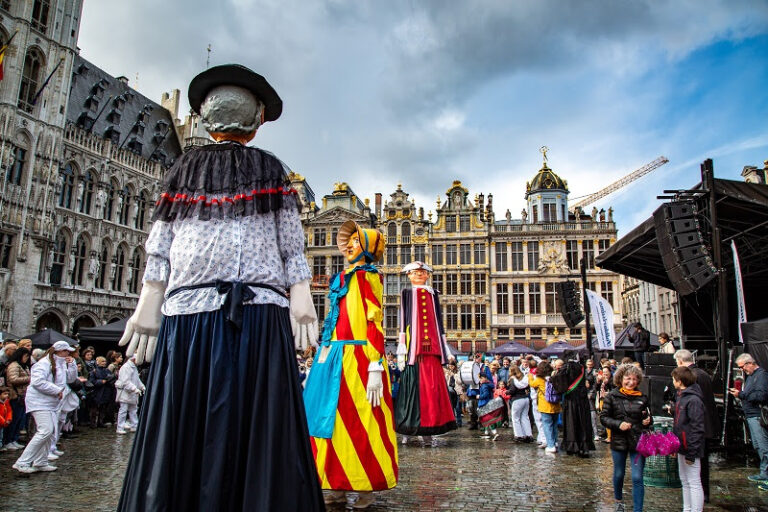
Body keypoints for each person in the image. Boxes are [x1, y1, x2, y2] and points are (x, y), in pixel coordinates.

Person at [117, 64, 323, 512]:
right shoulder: (266, 168)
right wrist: (300, 295)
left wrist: (150, 300)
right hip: (252, 311)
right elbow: (291, 243)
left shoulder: (183, 169)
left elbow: (160, 243)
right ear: (257, 122)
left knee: (183, 422)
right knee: (257, 424)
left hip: (200, 311)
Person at [303, 220, 396, 509]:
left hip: (359, 359)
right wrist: (320, 354)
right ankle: (334, 483)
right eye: (351, 240)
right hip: (332, 357)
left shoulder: (369, 277)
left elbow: (374, 322)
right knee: (324, 423)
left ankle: (364, 486)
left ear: (367, 249)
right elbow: (333, 322)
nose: (350, 245)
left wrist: (375, 365)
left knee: (361, 424)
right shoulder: (340, 278)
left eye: (357, 241)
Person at [395, 261, 457, 444]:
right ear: (409, 275)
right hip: (414, 349)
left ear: (428, 275)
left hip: (433, 349)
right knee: (413, 389)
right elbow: (403, 318)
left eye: (422, 272)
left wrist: (444, 346)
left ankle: (430, 427)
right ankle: (408, 427)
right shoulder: (407, 293)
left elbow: (438, 320)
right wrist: (402, 346)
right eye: (415, 272)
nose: (419, 274)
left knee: (432, 388)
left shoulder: (432, 293)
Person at [13, 341, 77, 473]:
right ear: (59, 351)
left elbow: (70, 379)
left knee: (51, 431)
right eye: (66, 351)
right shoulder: (43, 364)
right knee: (45, 430)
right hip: (39, 402)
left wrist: (72, 365)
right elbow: (37, 382)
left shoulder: (61, 364)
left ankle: (40, 461)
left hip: (51, 403)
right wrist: (56, 390)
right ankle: (22, 462)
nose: (68, 354)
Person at [600, 364, 652, 512]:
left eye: (635, 379)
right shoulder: (612, 396)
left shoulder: (642, 397)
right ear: (621, 379)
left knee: (637, 477)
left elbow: (648, 417)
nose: (631, 382)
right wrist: (618, 424)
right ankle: (618, 500)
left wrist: (648, 420)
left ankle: (638, 509)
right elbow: (604, 418)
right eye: (628, 378)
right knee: (619, 473)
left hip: (638, 441)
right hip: (619, 440)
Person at [674, 349, 719, 502]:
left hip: (696, 426)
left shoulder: (690, 377)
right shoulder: (704, 374)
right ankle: (703, 493)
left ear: (680, 361)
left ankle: (700, 496)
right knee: (703, 464)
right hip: (706, 424)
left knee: (696, 470)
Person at [729, 353, 768, 486]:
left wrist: (741, 394)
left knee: (763, 446)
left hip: (757, 415)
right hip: (751, 415)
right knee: (758, 445)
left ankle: (765, 474)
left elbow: (761, 396)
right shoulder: (752, 376)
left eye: (742, 367)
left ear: (749, 363)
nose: (742, 370)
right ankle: (764, 473)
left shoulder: (761, 375)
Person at [671, 366, 705, 512]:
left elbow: (697, 427)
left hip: (690, 446)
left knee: (694, 481)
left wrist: (692, 451)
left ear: (679, 381)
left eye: (674, 379)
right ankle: (687, 509)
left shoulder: (693, 400)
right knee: (685, 480)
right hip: (683, 445)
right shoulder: (682, 397)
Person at [550, 350, 594, 457]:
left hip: (571, 399)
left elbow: (559, 384)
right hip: (582, 398)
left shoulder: (566, 368)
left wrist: (553, 377)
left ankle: (572, 446)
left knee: (571, 422)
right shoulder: (582, 367)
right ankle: (584, 447)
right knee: (583, 423)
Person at [529, 361, 561, 453]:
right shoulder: (554, 378)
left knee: (547, 425)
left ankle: (550, 445)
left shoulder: (539, 379)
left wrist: (530, 376)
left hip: (545, 406)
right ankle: (555, 442)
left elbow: (532, 384)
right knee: (554, 425)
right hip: (556, 405)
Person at [3, 347, 31, 450]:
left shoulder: (24, 366)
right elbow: (13, 379)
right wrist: (29, 379)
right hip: (15, 395)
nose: (27, 359)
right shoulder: (14, 365)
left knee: (19, 419)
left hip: (23, 395)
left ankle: (14, 439)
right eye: (25, 356)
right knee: (14, 419)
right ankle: (9, 440)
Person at [115, 354, 145, 434]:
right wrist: (135, 389)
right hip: (125, 392)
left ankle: (134, 425)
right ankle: (120, 427)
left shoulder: (134, 367)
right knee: (123, 410)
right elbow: (125, 381)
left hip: (132, 393)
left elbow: (136, 379)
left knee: (133, 410)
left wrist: (142, 386)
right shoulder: (126, 367)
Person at [508, 364, 533, 443]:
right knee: (525, 417)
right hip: (526, 399)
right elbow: (528, 388)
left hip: (517, 399)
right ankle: (528, 435)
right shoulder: (524, 378)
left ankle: (519, 435)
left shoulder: (513, 379)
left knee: (515, 418)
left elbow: (512, 390)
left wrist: (506, 392)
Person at [88, 357, 115, 428]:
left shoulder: (107, 371)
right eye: (102, 361)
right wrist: (101, 381)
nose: (104, 363)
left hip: (106, 391)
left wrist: (110, 380)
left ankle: (100, 422)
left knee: (103, 408)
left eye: (105, 361)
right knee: (94, 409)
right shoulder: (94, 371)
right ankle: (93, 423)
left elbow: (112, 379)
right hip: (97, 392)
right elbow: (91, 381)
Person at [476, 373, 501, 440]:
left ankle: (495, 433)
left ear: (484, 378)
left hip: (484, 404)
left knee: (488, 420)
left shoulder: (484, 386)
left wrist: (479, 396)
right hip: (489, 403)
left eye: (481, 378)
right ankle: (486, 433)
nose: (480, 380)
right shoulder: (489, 384)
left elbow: (485, 394)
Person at [0, 387, 11, 451]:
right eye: (5, 394)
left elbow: (9, 411)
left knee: (1, 436)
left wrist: (8, 419)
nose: (7, 395)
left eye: (7, 394)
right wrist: (3, 421)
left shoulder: (6, 402)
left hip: (2, 423)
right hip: (2, 422)